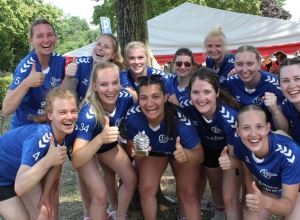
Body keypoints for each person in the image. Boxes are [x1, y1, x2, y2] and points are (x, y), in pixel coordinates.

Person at [63, 34, 137, 220]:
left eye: (114, 83)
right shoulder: (88, 114)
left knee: (131, 179)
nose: (111, 89)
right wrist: (100, 139)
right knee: (100, 194)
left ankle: (119, 216)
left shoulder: (126, 97)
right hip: (85, 144)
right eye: (104, 85)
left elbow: (139, 101)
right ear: (94, 86)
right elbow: (78, 160)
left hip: (106, 141)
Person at [125, 75, 204, 220]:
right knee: (146, 189)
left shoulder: (179, 120)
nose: (149, 103)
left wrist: (186, 153)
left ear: (166, 97)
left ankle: (184, 216)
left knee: (188, 194)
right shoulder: (133, 115)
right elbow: (131, 146)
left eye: (155, 96)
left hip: (181, 151)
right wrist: (137, 152)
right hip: (154, 152)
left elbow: (199, 155)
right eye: (143, 98)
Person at [0, 87, 78, 220]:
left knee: (44, 214)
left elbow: (57, 162)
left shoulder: (68, 130)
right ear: (50, 115)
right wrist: (48, 160)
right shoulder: (40, 137)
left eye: (73, 111)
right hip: (3, 178)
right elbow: (19, 187)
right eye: (62, 112)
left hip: (21, 172)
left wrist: (46, 193)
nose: (69, 117)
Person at [180, 67, 243, 220]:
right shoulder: (185, 105)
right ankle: (219, 215)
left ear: (217, 92)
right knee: (215, 185)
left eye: (207, 92)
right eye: (195, 92)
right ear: (189, 93)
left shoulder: (229, 117)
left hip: (231, 153)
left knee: (229, 196)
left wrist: (229, 160)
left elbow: (236, 157)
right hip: (207, 148)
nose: (201, 98)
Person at [219, 105, 300, 220]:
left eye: (259, 127)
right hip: (273, 188)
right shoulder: (241, 142)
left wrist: (266, 202)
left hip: (296, 191)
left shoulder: (289, 153)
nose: (253, 134)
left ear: (268, 128)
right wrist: (253, 203)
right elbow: (249, 172)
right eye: (246, 128)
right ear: (238, 130)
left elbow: (288, 206)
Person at [2, 18, 72, 130]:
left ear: (55, 38)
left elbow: (60, 95)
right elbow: (6, 109)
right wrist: (27, 83)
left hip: (48, 127)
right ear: (31, 41)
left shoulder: (60, 61)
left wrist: (69, 77)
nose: (46, 40)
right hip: (24, 129)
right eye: (40, 36)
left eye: (49, 35)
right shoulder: (26, 67)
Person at [225, 45, 285, 130]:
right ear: (234, 65)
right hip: (243, 133)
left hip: (270, 133)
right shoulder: (230, 83)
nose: (244, 69)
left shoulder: (273, 83)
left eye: (250, 64)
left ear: (259, 64)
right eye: (239, 64)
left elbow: (284, 129)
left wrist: (275, 110)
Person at [63, 33, 137, 102]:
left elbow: (134, 98)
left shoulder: (118, 71)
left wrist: (115, 84)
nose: (100, 48)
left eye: (106, 47)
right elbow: (64, 95)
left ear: (113, 55)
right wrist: (68, 77)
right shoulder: (80, 63)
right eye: (98, 44)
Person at [268, 57, 300, 144]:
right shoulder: (287, 106)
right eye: (285, 81)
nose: (292, 85)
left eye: (297, 79)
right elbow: (286, 133)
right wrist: (275, 110)